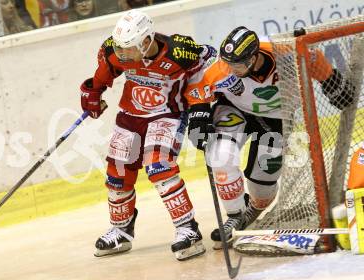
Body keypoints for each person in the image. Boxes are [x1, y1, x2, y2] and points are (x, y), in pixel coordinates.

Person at [185, 26, 355, 248]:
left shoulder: (284, 53)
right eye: (228, 63)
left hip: (277, 118)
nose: (231, 69)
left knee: (263, 188)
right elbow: (199, 88)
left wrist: (331, 81)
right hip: (234, 109)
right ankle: (235, 215)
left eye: (237, 64)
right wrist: (199, 117)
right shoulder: (225, 68)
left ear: (253, 57)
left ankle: (252, 210)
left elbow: (313, 56)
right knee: (220, 155)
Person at [80, 9, 216, 260]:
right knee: (117, 173)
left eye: (128, 48)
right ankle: (121, 230)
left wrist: (200, 111)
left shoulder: (180, 52)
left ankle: (188, 230)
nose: (122, 54)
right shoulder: (115, 50)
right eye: (119, 48)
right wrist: (92, 92)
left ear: (146, 41)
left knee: (159, 167)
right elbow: (106, 68)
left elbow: (201, 76)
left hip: (167, 114)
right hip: (130, 115)